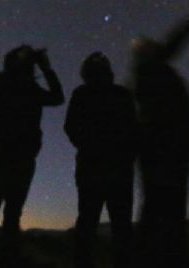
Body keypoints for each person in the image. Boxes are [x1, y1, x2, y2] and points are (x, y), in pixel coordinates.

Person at [0, 45, 64, 265]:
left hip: (18, 156)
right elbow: (55, 96)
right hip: (7, 155)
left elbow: (58, 98)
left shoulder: (18, 85)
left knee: (7, 210)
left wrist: (43, 68)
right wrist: (44, 68)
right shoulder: (4, 81)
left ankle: (0, 254)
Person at [132, 9, 189, 268]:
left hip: (168, 148)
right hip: (166, 149)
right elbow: (173, 43)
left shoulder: (147, 74)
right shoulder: (150, 70)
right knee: (164, 211)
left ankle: (155, 258)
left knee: (162, 210)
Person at [65, 52, 138, 268]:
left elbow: (70, 127)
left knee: (90, 225)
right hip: (112, 169)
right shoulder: (120, 94)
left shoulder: (85, 93)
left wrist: (87, 146)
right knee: (118, 228)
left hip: (97, 168)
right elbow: (135, 130)